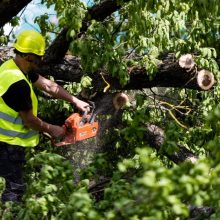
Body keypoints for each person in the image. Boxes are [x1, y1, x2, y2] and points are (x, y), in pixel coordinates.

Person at [0, 30, 90, 202]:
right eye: (39, 57)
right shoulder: (17, 83)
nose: (40, 61)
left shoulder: (13, 66)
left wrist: (75, 100)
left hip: (8, 142)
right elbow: (29, 120)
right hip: (7, 145)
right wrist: (53, 129)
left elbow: (48, 86)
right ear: (29, 57)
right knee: (14, 191)